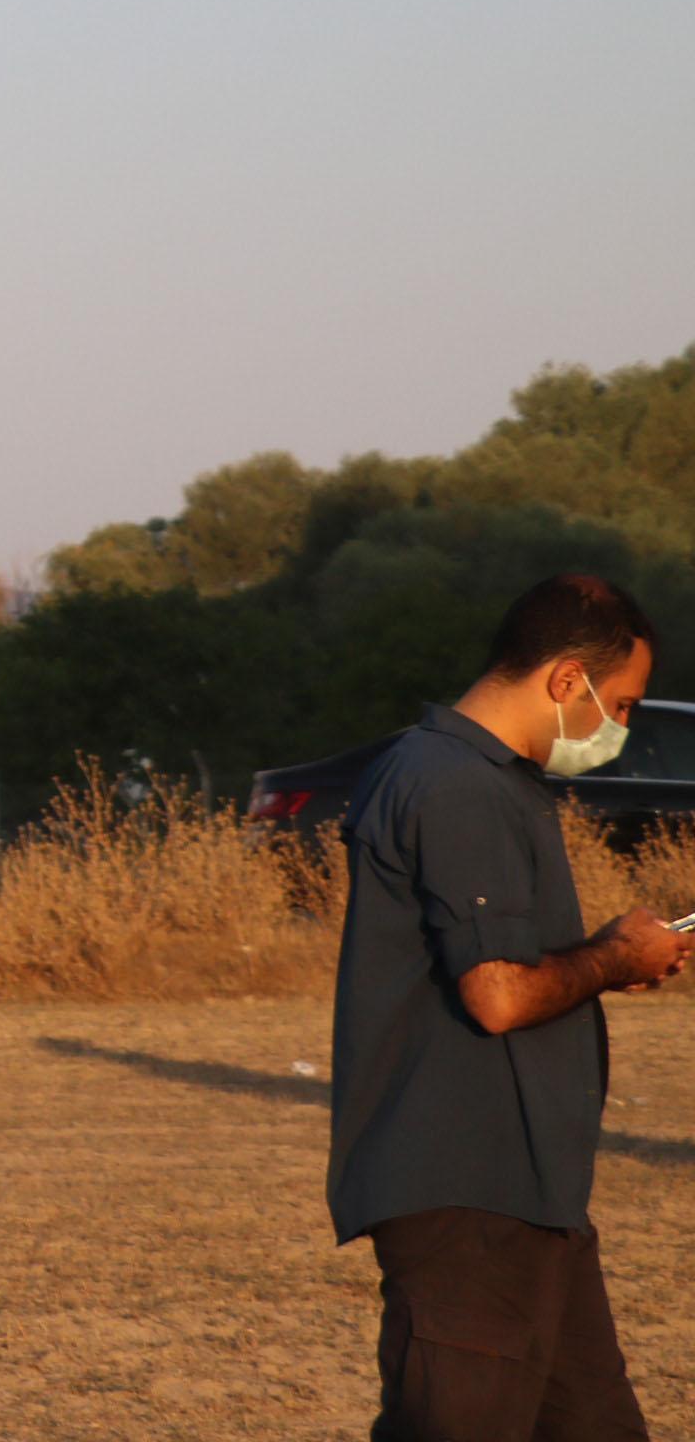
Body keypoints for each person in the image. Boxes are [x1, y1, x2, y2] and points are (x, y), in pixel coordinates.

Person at [331, 573, 688, 1438]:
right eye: (622, 705)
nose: (620, 728)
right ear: (567, 680)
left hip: (529, 1195)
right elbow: (496, 995)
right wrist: (614, 957)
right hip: (469, 1195)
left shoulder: (473, 776)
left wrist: (602, 960)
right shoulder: (458, 785)